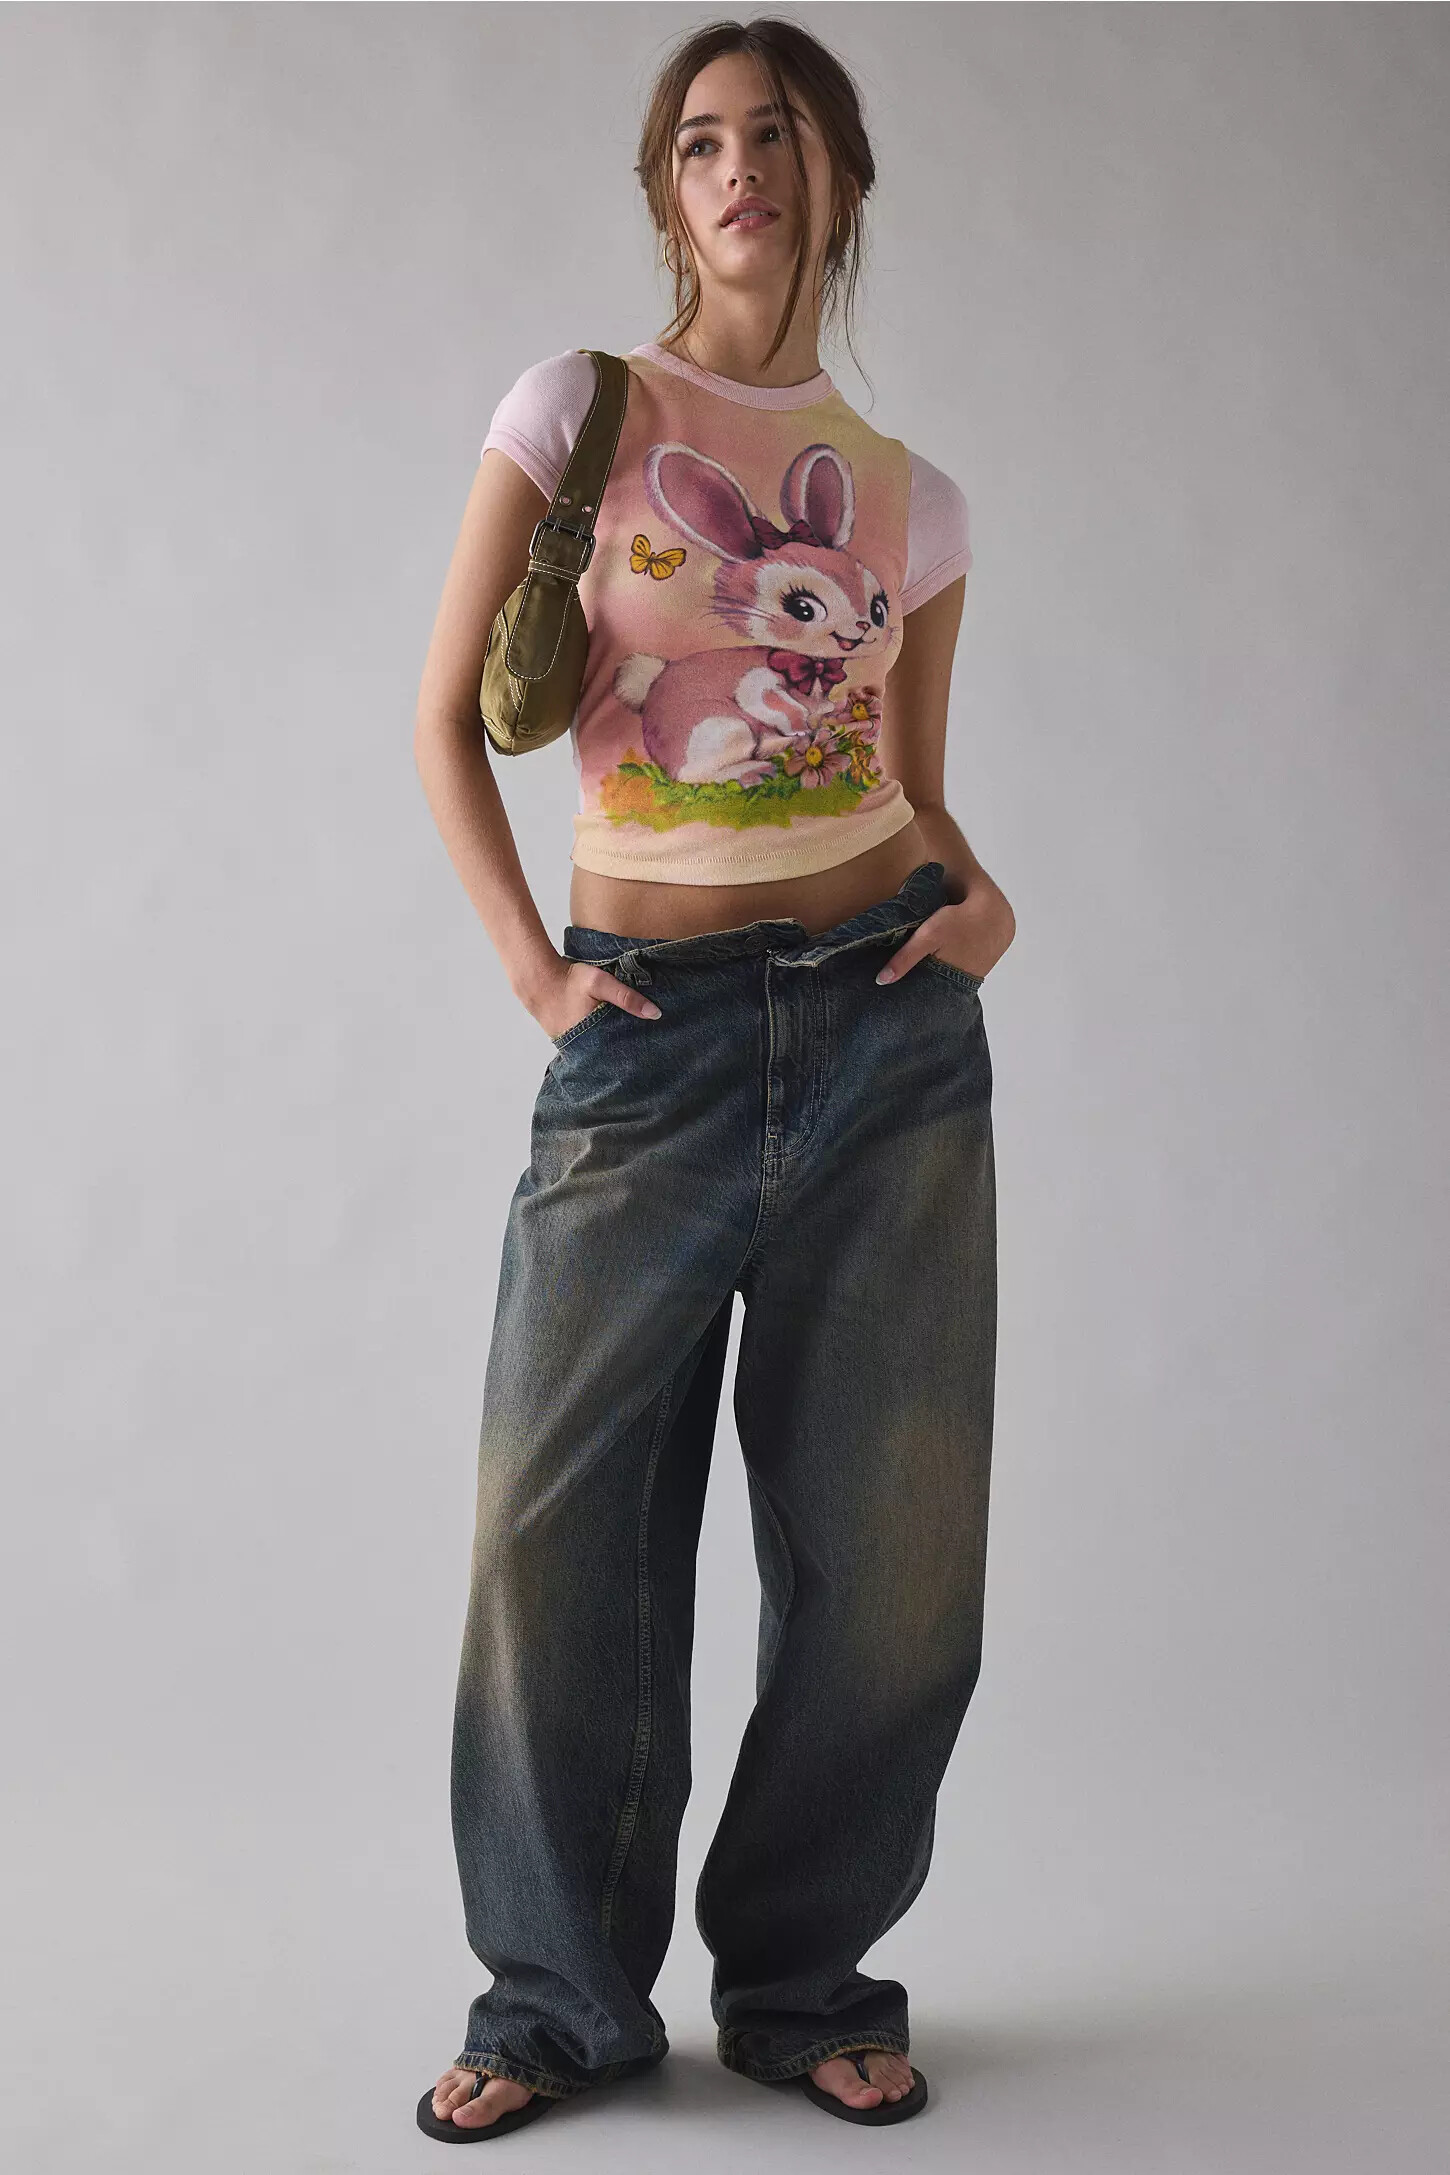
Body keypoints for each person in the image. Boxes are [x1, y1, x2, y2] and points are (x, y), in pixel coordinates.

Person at [412, 15, 1015, 2141]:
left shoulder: (913, 500)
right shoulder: (580, 409)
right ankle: (556, 2002)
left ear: (839, 171)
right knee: (549, 1532)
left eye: (774, 134)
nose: (738, 167)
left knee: (888, 1553)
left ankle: (802, 1981)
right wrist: (534, 972)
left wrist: (984, 904)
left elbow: (913, 785)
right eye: (698, 142)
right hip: (644, 1043)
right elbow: (441, 717)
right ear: (666, 192)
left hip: (888, 1035)